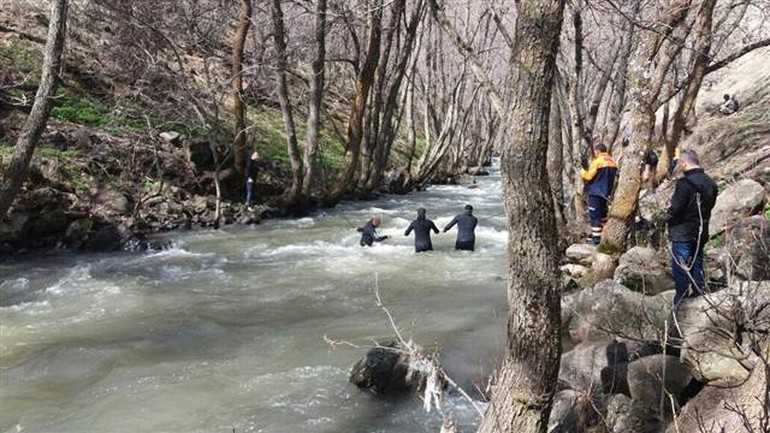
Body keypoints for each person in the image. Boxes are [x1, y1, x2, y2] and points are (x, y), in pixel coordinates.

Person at [667, 149, 718, 306]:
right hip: (701, 229)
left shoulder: (684, 184)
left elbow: (676, 208)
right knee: (697, 264)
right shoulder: (711, 183)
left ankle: (681, 305)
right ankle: (699, 298)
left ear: (683, 163)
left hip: (682, 231)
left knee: (681, 269)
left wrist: (667, 215)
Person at [580, 143, 617, 245]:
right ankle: (605, 235)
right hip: (606, 193)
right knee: (603, 215)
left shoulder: (597, 162)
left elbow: (588, 176)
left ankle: (596, 239)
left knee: (595, 216)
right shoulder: (613, 161)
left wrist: (581, 171)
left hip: (595, 193)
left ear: (597, 151)